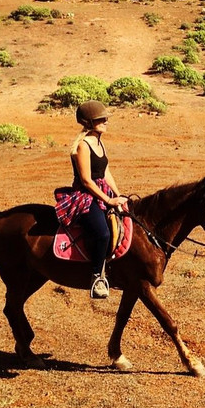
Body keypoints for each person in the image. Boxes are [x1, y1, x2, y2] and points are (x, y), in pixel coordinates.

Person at [55, 100, 128, 298]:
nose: (106, 121)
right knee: (103, 233)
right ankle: (97, 276)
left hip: (102, 191)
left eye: (105, 118)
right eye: (101, 119)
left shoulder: (98, 141)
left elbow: (105, 172)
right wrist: (109, 200)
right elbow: (87, 181)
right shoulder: (83, 146)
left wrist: (119, 195)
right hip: (86, 196)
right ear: (89, 122)